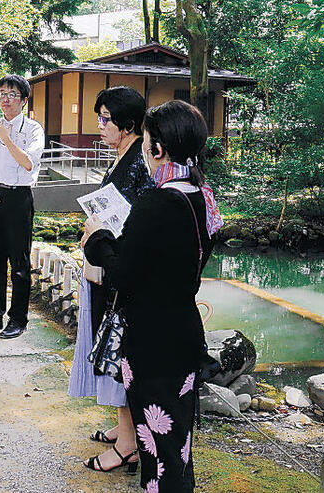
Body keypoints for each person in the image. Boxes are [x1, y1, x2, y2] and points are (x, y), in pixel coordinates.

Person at [81, 100, 223, 492]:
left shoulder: (157, 202)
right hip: (183, 333)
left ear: (157, 149)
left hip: (151, 341)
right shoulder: (201, 196)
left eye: (145, 144)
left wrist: (98, 238)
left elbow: (124, 274)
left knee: (156, 451)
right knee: (176, 448)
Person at [68, 87, 153, 474]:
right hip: (106, 264)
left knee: (117, 354)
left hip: (119, 271)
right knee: (109, 351)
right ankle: (125, 431)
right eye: (98, 117)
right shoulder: (124, 155)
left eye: (106, 119)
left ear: (129, 123)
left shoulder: (139, 160)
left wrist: (100, 234)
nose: (99, 126)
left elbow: (134, 222)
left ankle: (128, 444)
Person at [0, 74, 45, 339]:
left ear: (24, 100)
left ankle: (18, 319)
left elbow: (28, 163)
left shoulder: (33, 129)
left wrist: (6, 137)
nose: (5, 99)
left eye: (12, 94)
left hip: (18, 198)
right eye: (2, 93)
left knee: (19, 262)